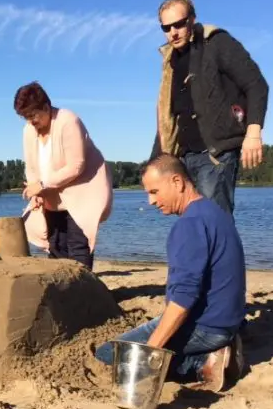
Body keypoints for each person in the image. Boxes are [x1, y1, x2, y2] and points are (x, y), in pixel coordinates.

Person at [94, 154, 245, 392]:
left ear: (177, 182)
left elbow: (183, 299)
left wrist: (149, 352)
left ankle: (202, 362)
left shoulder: (189, 225)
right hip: (230, 321)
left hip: (208, 328)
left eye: (154, 191)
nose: (151, 201)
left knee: (107, 354)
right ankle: (214, 350)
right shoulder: (214, 212)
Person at [150, 0, 269, 215]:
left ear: (192, 19)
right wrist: (155, 163)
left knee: (215, 224)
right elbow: (167, 116)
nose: (173, 33)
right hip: (184, 157)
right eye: (166, 28)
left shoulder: (216, 42)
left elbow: (256, 84)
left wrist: (253, 133)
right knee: (195, 226)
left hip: (216, 154)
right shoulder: (170, 61)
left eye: (179, 24)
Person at [15, 81, 113, 270]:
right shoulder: (28, 130)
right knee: (56, 246)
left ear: (46, 107)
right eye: (25, 117)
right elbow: (31, 166)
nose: (30, 121)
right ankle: (62, 293)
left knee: (77, 246)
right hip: (51, 196)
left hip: (82, 191)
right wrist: (35, 190)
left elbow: (76, 166)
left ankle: (82, 293)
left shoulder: (68, 120)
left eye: (32, 115)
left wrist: (42, 184)